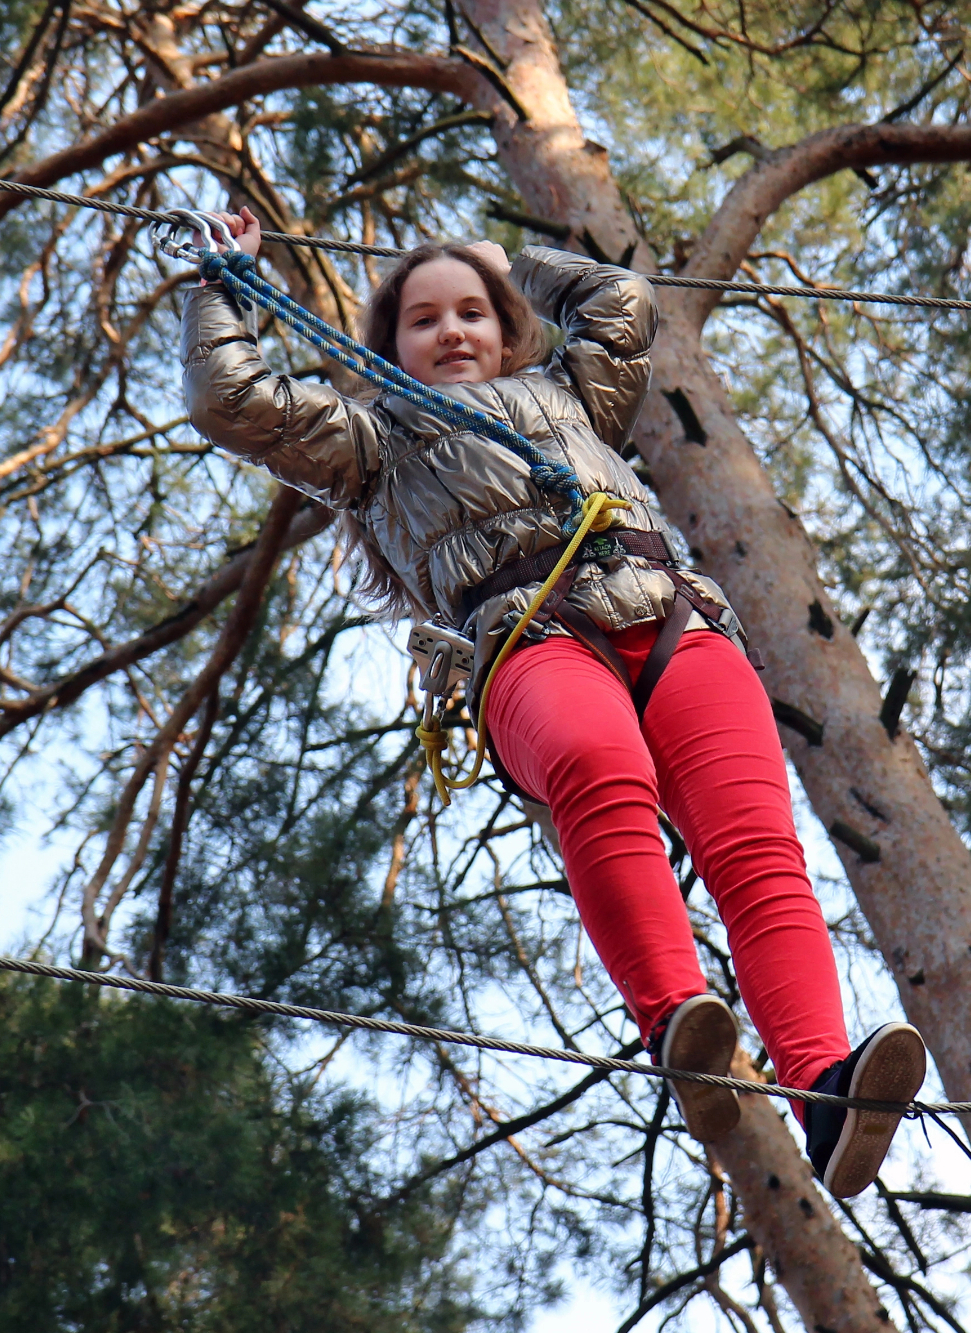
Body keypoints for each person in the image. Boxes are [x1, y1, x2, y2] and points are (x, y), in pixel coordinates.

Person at [180, 208, 925, 1198]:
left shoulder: (570, 394)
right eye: (423, 319)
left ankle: (822, 1088)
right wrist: (220, 288)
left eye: (472, 312)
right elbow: (236, 402)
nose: (451, 331)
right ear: (388, 343)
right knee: (593, 765)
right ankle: (678, 1026)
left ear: (505, 325)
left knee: (755, 848)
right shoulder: (369, 443)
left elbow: (622, 305)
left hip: (672, 623)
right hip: (531, 636)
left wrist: (513, 263)